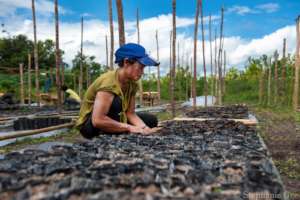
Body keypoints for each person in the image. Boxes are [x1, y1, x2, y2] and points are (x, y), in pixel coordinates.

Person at [76, 43, 160, 139]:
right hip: (91, 125)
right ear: (126, 62)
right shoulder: (109, 83)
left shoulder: (132, 84)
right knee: (116, 102)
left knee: (151, 120)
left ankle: (119, 132)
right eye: (140, 67)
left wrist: (144, 128)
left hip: (116, 118)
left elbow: (130, 113)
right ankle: (112, 134)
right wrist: (130, 128)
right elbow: (98, 120)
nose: (142, 72)